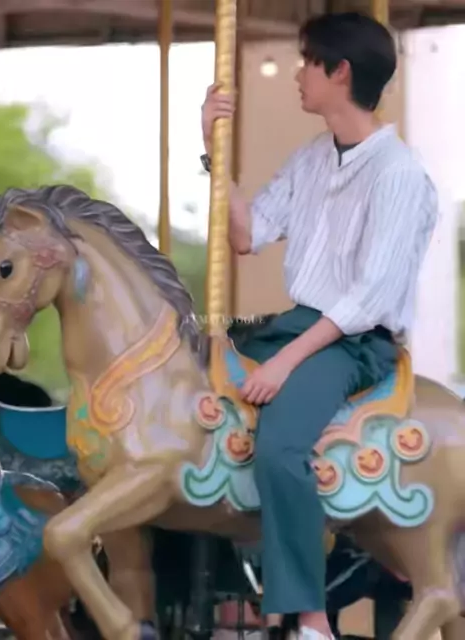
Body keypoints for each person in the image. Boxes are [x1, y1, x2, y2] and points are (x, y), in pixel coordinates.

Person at [200, 11, 438, 640]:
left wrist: (284, 363)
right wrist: (213, 150)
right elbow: (248, 234)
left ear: (341, 73)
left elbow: (366, 298)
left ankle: (311, 619)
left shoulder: (399, 174)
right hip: (298, 325)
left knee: (280, 447)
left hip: (353, 341)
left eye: (308, 61)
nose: (298, 74)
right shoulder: (312, 158)